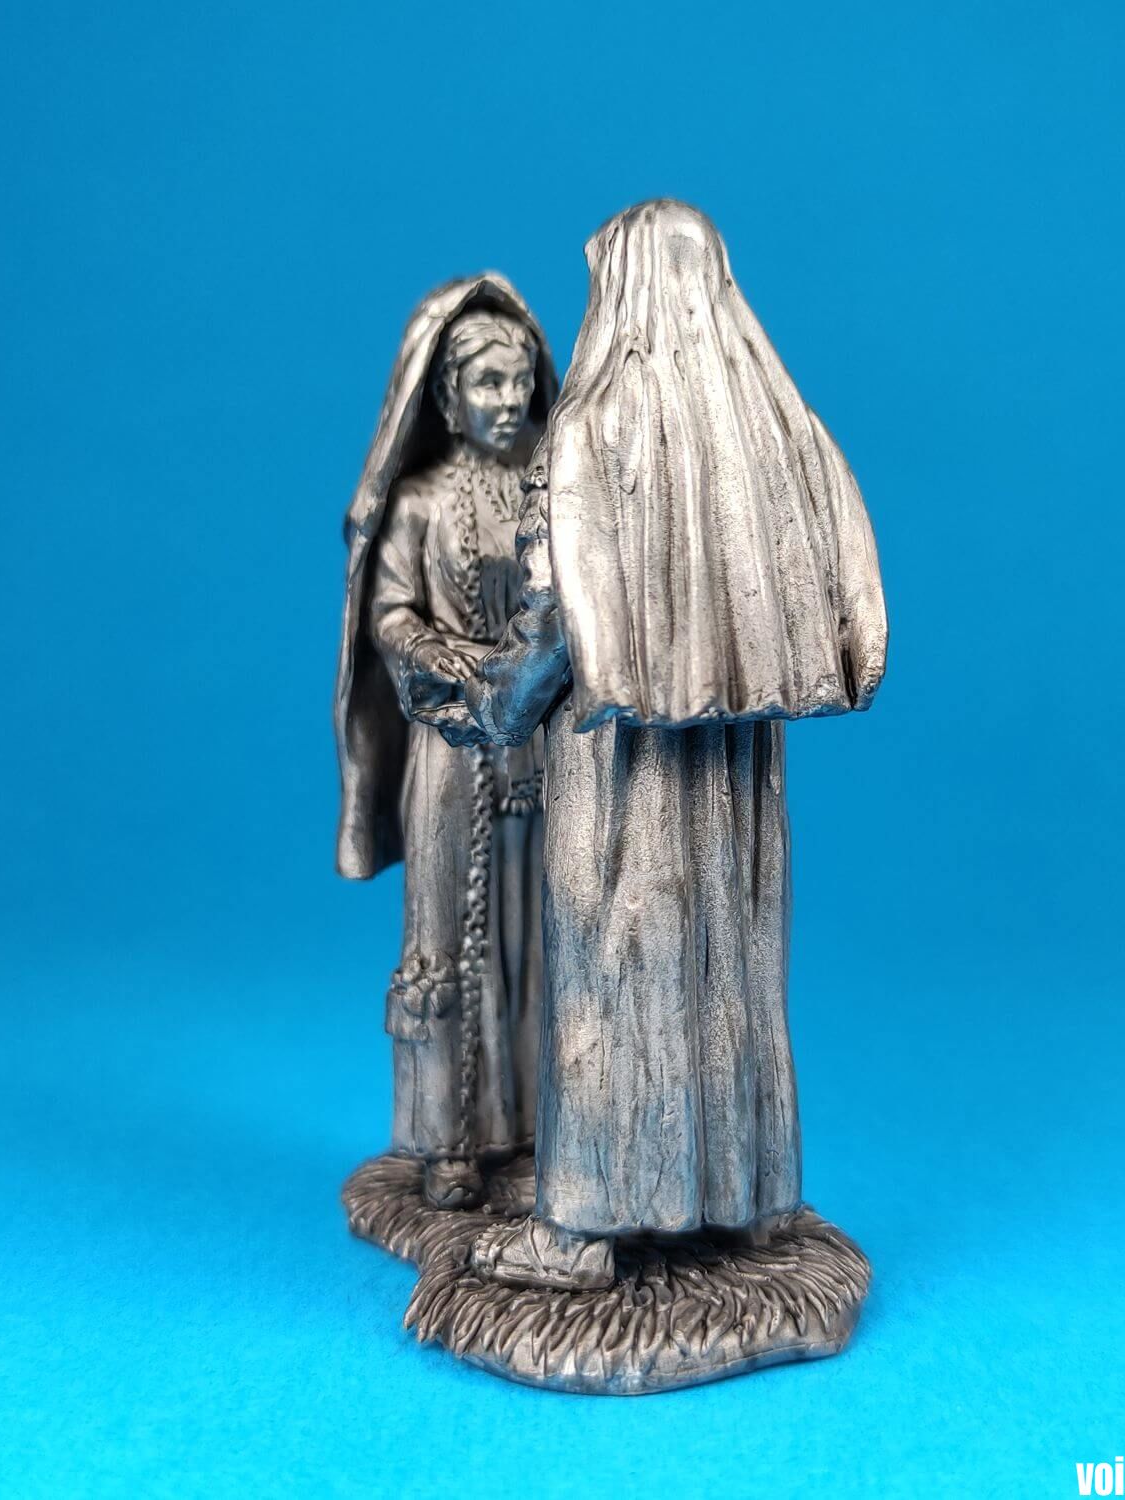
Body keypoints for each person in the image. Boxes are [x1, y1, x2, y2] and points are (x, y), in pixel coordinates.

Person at [426, 203, 888, 1287]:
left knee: (613, 967)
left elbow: (552, 624)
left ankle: (582, 1223)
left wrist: (491, 705)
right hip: (734, 767)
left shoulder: (592, 432)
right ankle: (748, 1197)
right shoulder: (780, 430)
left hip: (621, 765)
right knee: (731, 972)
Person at [333, 276, 559, 1209]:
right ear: (448, 396)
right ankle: (449, 1142)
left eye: (521, 380)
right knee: (446, 940)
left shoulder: (556, 491)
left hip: (540, 754)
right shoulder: (421, 503)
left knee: (538, 939)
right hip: (451, 752)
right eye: (488, 383)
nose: (509, 399)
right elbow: (388, 614)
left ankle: (543, 1132)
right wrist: (452, 660)